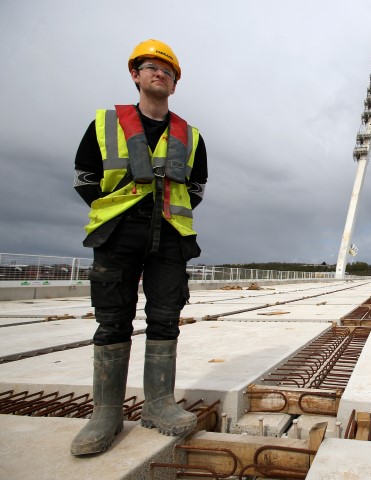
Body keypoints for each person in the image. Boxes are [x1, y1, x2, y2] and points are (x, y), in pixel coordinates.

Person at [71, 39, 208, 456]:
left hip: (169, 236)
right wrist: (119, 211)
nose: (160, 73)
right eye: (151, 67)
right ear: (136, 74)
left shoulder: (190, 134)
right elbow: (84, 177)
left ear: (174, 83)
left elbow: (197, 186)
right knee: (113, 321)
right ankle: (106, 414)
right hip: (117, 235)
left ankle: (159, 405)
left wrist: (163, 211)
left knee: (165, 319)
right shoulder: (106, 123)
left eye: (168, 70)